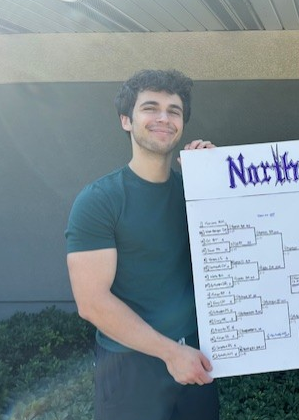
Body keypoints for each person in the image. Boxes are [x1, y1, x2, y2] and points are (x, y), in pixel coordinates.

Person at [65, 69, 220, 420]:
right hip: (128, 367)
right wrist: (170, 353)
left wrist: (215, 181)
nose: (164, 118)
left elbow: (240, 246)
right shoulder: (99, 201)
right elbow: (92, 303)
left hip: (196, 361)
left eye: (174, 110)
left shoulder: (194, 193)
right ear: (126, 120)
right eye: (151, 108)